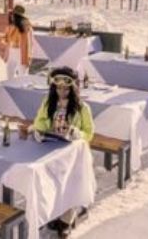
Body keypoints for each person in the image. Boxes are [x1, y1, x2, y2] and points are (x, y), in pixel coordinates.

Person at [32, 67, 94, 238]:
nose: (62, 92)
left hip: (74, 154)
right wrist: (44, 128)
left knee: (70, 181)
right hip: (52, 148)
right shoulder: (48, 102)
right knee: (47, 178)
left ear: (73, 88)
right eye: (58, 88)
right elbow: (39, 121)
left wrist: (75, 132)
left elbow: (89, 133)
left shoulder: (83, 108)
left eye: (66, 88)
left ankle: (67, 219)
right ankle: (52, 212)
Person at [0, 5, 33, 80]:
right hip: (12, 51)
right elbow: (7, 39)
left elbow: (28, 43)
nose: (11, 16)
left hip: (21, 52)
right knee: (9, 73)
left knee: (22, 76)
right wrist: (4, 37)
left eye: (13, 14)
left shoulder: (25, 26)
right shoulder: (11, 25)